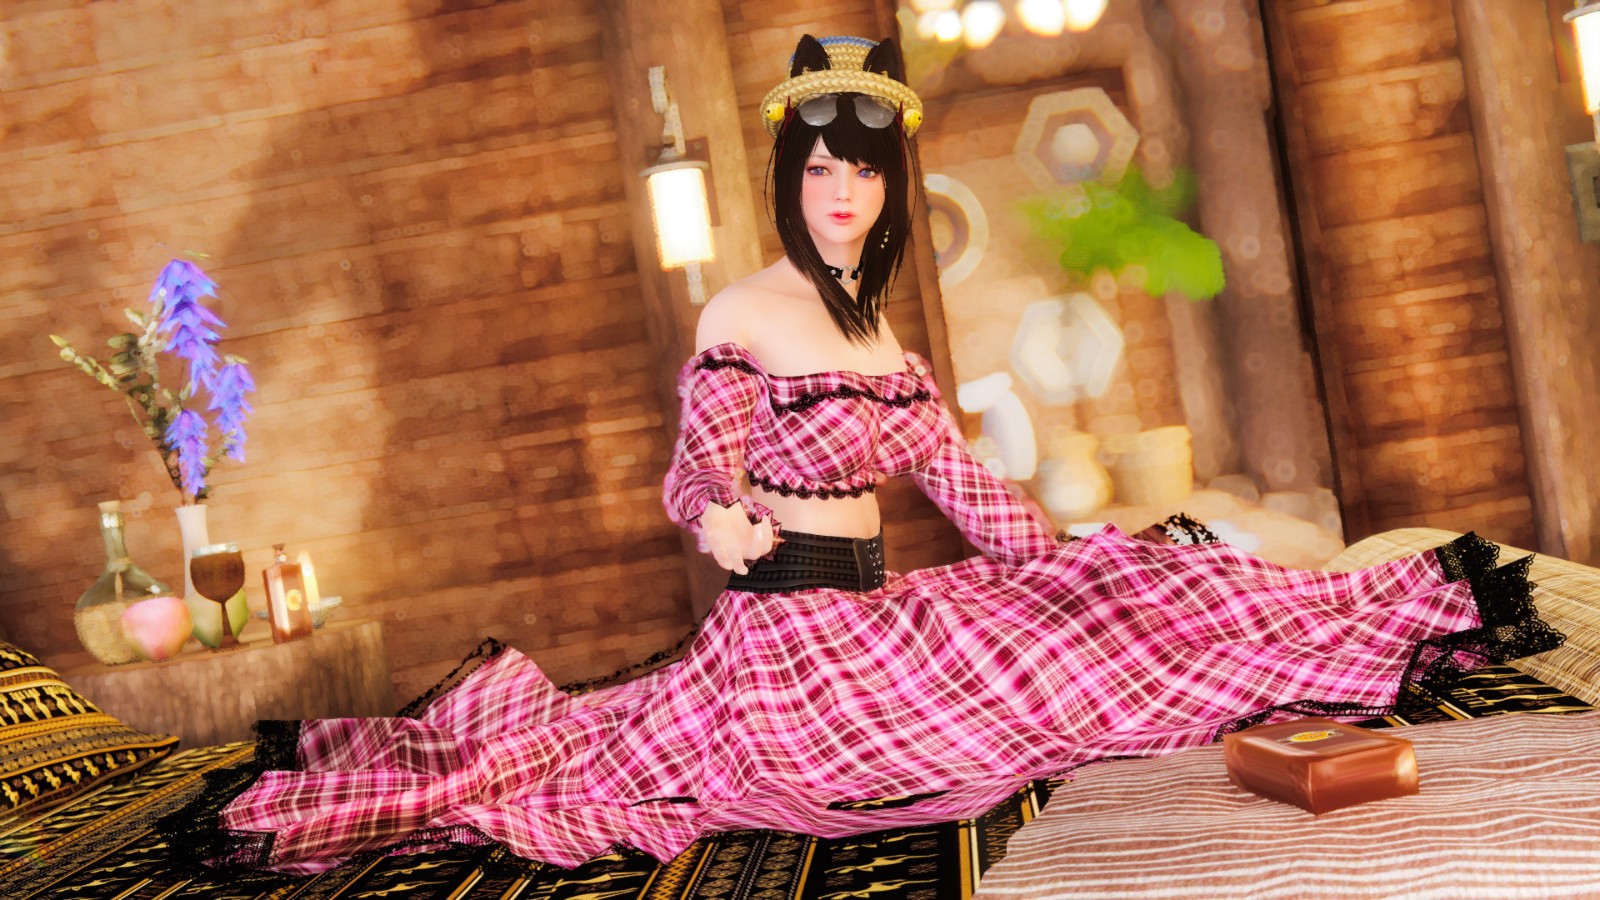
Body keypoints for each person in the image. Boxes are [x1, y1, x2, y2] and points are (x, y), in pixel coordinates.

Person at [198, 34, 1562, 875]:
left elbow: (956, 483)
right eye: (819, 170)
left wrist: (1083, 560)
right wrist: (719, 521)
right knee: (627, 764)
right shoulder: (742, 314)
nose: (841, 193)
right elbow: (697, 468)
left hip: (877, 605)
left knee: (1092, 644)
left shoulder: (873, 325)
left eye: (860, 173)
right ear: (791, 178)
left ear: (883, 186)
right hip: (785, 633)